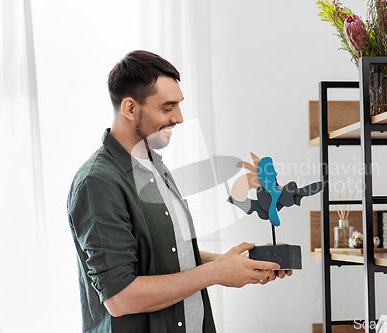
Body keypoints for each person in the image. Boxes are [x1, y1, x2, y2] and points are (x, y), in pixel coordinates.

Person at [67, 50, 292, 333]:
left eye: (179, 105)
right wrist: (215, 273)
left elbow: (167, 254)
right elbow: (121, 297)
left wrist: (236, 263)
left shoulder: (152, 166)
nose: (180, 118)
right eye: (167, 107)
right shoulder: (97, 183)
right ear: (130, 108)